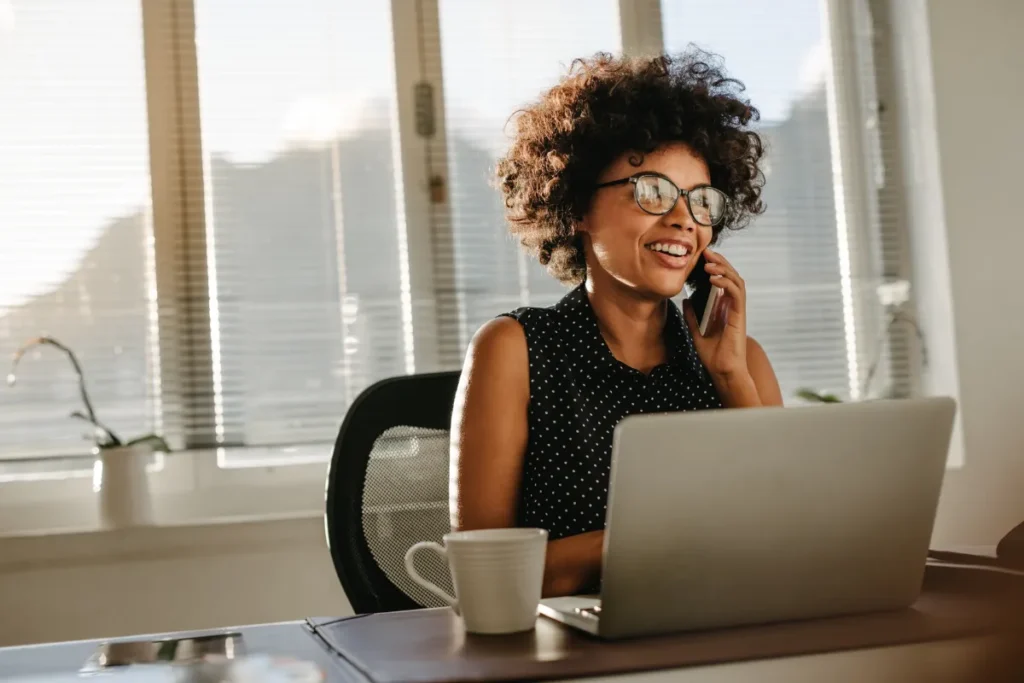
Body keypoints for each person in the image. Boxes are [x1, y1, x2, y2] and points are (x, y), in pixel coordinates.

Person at [449, 50, 783, 598]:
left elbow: (790, 540)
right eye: (652, 191)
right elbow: (485, 574)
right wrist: (659, 538)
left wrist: (730, 379)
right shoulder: (515, 350)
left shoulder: (741, 362)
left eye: (702, 201)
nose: (683, 219)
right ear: (577, 206)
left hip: (717, 634)